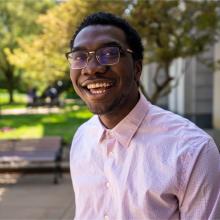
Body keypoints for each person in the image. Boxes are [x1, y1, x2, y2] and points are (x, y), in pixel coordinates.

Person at [67, 12, 220, 219]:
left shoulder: (192, 150)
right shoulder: (82, 138)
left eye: (110, 53)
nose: (92, 69)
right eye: (80, 57)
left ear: (137, 68)